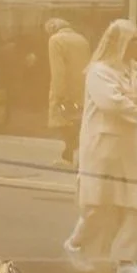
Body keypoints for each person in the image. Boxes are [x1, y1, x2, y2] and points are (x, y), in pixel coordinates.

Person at [65, 18, 137, 273]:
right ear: (120, 42)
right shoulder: (98, 71)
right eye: (135, 40)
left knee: (135, 202)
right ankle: (76, 244)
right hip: (104, 147)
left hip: (136, 145)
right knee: (97, 205)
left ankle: (125, 262)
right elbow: (111, 103)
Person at [46, 16, 92, 166]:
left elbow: (58, 70)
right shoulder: (82, 39)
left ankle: (69, 155)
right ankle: (75, 154)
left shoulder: (55, 41)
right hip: (83, 87)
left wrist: (58, 94)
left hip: (66, 88)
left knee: (64, 122)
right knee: (77, 121)